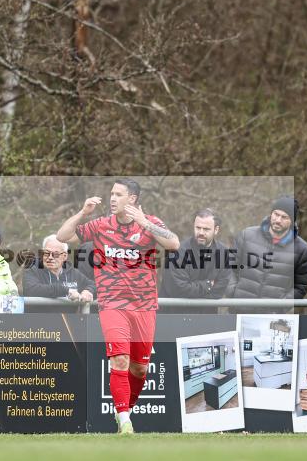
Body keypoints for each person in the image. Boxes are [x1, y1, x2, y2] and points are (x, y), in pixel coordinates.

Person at [56, 178, 179, 434]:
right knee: (120, 360)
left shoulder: (150, 223)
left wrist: (146, 224)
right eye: (111, 193)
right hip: (113, 304)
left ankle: (124, 409)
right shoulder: (101, 225)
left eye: (118, 194)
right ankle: (125, 421)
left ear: (132, 199)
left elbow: (174, 243)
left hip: (144, 306)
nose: (112, 198)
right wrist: (83, 213)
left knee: (139, 368)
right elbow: (62, 236)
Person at [226, 197, 307, 302]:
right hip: (239, 308)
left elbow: (301, 286)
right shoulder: (246, 235)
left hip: (272, 315)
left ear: (292, 221)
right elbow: (228, 267)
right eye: (276, 214)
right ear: (271, 214)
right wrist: (233, 293)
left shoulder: (302, 250)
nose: (278, 220)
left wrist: (281, 305)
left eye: (284, 217)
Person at [160, 208, 231, 312]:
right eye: (198, 228)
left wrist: (192, 288)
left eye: (206, 229)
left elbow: (219, 291)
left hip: (207, 319)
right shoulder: (178, 251)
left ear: (216, 230)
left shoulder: (224, 253)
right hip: (174, 316)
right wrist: (208, 285)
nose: (201, 232)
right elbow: (179, 290)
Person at [22, 235, 95, 309]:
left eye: (56, 254)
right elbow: (31, 290)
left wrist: (88, 291)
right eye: (47, 253)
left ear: (64, 256)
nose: (50, 257)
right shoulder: (32, 269)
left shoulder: (72, 272)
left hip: (70, 319)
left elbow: (93, 284)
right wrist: (66, 290)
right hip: (39, 319)